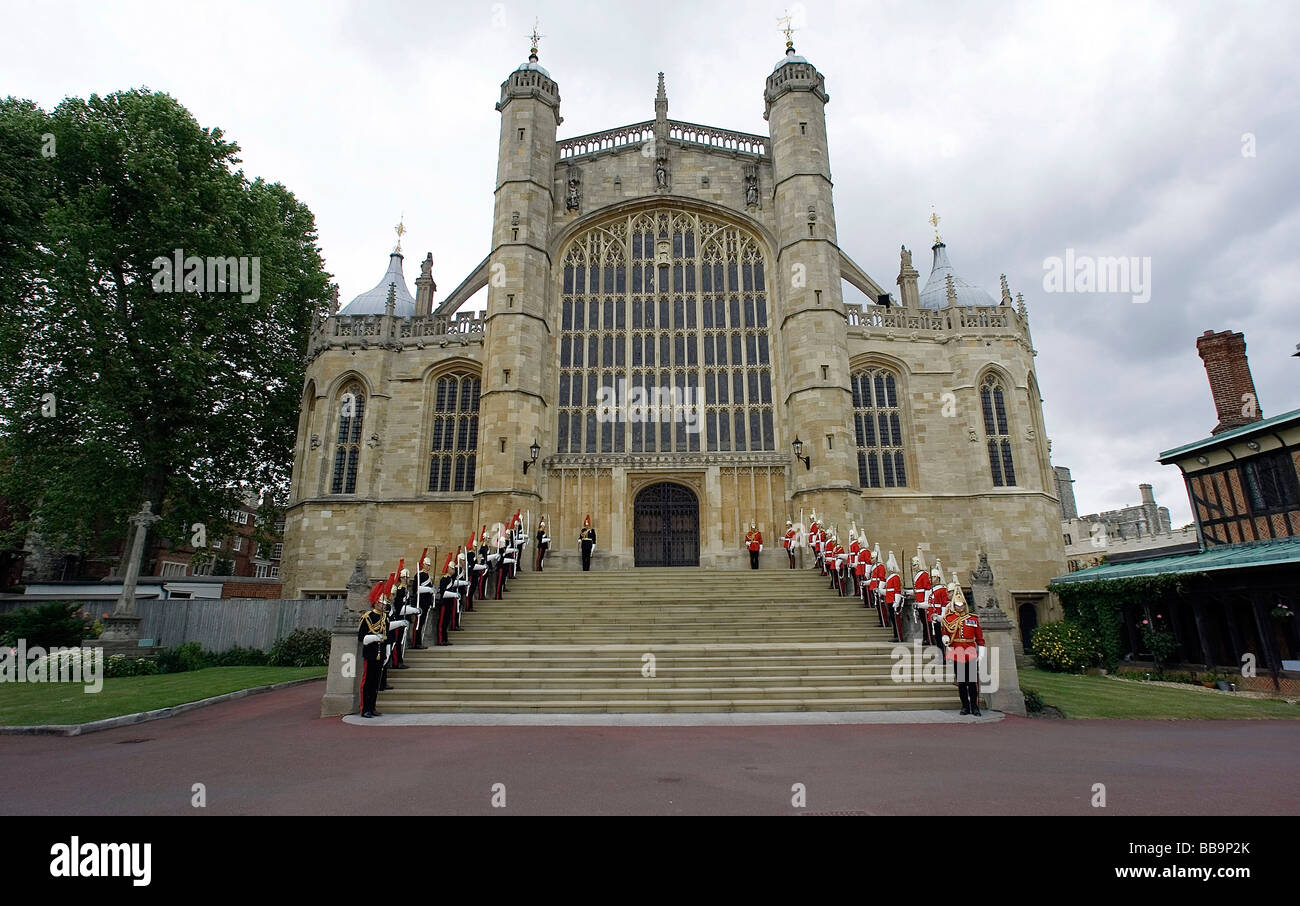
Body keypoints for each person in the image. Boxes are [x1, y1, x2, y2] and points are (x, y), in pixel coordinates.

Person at [941, 584, 984, 716]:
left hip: (970, 651)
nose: (960, 607)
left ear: (965, 605)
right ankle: (965, 706)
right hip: (957, 652)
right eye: (957, 605)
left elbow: (979, 638)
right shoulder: (949, 619)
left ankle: (974, 706)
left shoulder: (972, 619)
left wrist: (981, 653)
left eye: (962, 605)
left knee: (972, 681)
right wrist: (946, 640)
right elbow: (945, 633)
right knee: (961, 681)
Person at [358, 580, 389, 718]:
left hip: (380, 654)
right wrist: (375, 637)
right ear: (376, 602)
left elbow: (387, 635)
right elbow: (362, 638)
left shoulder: (384, 618)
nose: (384, 606)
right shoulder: (367, 617)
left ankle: (372, 706)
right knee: (367, 682)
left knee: (376, 682)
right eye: (383, 603)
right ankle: (365, 708)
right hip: (370, 654)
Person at [435, 553, 457, 646]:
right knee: (442, 622)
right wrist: (454, 594)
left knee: (446, 621)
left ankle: (445, 639)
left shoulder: (451, 579)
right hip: (444, 602)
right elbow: (443, 592)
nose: (454, 570)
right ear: (448, 569)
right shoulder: (444, 579)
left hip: (449, 602)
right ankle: (441, 640)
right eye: (452, 569)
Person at [414, 555, 433, 649]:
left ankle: (419, 641)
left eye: (429, 565)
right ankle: (416, 642)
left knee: (422, 624)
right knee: (418, 624)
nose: (428, 567)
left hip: (426, 603)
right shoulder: (419, 575)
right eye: (427, 565)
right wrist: (429, 589)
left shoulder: (427, 576)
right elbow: (416, 589)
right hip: (420, 602)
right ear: (423, 565)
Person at [883, 551, 903, 642]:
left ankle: (898, 636)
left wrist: (896, 602)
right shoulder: (891, 577)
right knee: (892, 618)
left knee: (895, 620)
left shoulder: (895, 577)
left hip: (893, 601)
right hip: (889, 599)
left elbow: (897, 590)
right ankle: (895, 634)